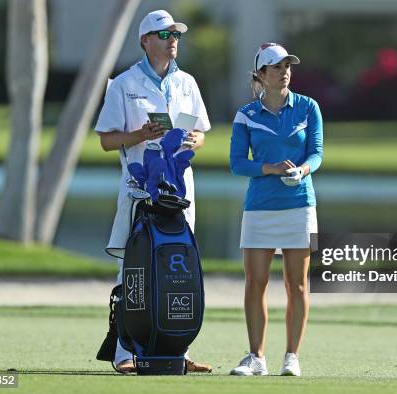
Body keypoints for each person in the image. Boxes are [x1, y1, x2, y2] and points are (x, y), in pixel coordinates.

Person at [94, 9, 212, 374]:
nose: (172, 39)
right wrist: (139, 136)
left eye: (175, 34)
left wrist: (195, 139)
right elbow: (107, 140)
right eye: (164, 35)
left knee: (180, 267)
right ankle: (124, 353)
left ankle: (178, 349)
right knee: (132, 267)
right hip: (139, 188)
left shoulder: (187, 83)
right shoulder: (123, 84)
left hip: (180, 189)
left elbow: (201, 133)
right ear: (145, 40)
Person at [228, 43, 323, 377]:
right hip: (259, 209)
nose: (284, 72)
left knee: (297, 285)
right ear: (261, 75)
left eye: (287, 66)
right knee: (255, 282)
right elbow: (238, 164)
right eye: (276, 67)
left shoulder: (308, 107)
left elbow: (316, 153)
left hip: (300, 206)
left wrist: (302, 170)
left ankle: (291, 357)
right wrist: (268, 168)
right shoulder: (246, 115)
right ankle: (256, 357)